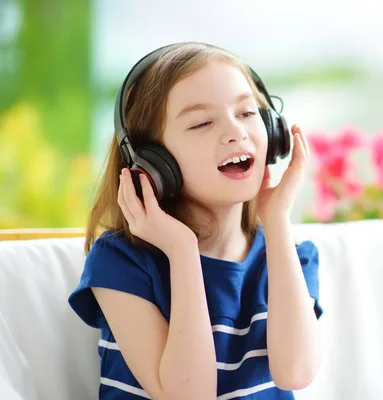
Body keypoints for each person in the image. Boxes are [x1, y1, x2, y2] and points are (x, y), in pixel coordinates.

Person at [68, 42, 323, 400]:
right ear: (151, 162)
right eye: (203, 122)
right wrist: (182, 251)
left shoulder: (290, 257)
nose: (236, 132)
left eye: (248, 113)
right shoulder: (121, 263)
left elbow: (294, 371)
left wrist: (277, 219)